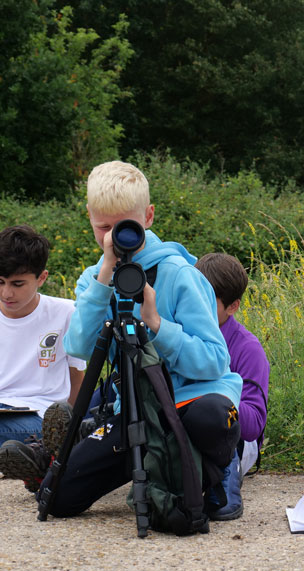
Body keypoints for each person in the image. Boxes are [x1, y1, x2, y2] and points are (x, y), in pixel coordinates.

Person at [3, 160, 244, 518]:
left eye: (125, 228)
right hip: (135, 412)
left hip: (190, 403)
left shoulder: (181, 275)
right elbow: (79, 348)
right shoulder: (92, 280)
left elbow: (213, 361)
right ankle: (152, 464)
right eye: (104, 228)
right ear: (89, 218)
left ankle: (221, 470)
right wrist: (104, 279)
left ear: (147, 217)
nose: (115, 238)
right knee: (59, 500)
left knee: (210, 416)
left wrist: (157, 326)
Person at [0, 226, 86, 491]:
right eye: (0, 282)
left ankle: (51, 450)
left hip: (40, 415)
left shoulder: (65, 313)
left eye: (17, 284)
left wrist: (72, 426)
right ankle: (40, 462)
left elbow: (77, 378)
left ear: (42, 278)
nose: (6, 294)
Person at [195, 252, 270, 521]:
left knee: (220, 417)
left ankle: (227, 472)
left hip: (238, 440)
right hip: (190, 429)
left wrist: (216, 387)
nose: (196, 308)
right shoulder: (182, 332)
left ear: (232, 306)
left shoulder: (247, 348)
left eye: (207, 302)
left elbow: (252, 427)